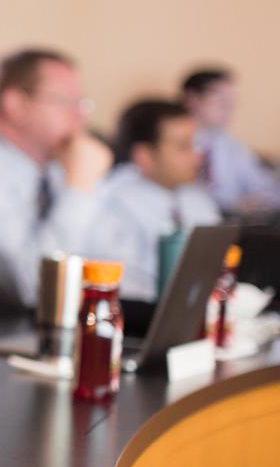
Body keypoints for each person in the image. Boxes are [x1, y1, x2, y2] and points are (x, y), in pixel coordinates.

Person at [0, 49, 112, 315]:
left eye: (82, 104)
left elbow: (107, 266)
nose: (82, 118)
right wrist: (80, 188)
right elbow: (34, 287)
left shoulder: (58, 165)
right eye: (67, 102)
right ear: (16, 105)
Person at [82, 99, 221, 302]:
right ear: (144, 155)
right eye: (184, 147)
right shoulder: (112, 204)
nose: (197, 156)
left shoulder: (196, 199)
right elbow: (127, 286)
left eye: (195, 144)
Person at [182, 68, 280, 215]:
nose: (230, 110)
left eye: (233, 103)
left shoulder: (230, 145)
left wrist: (257, 201)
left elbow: (264, 186)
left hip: (231, 222)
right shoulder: (175, 145)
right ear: (193, 99)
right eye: (222, 103)